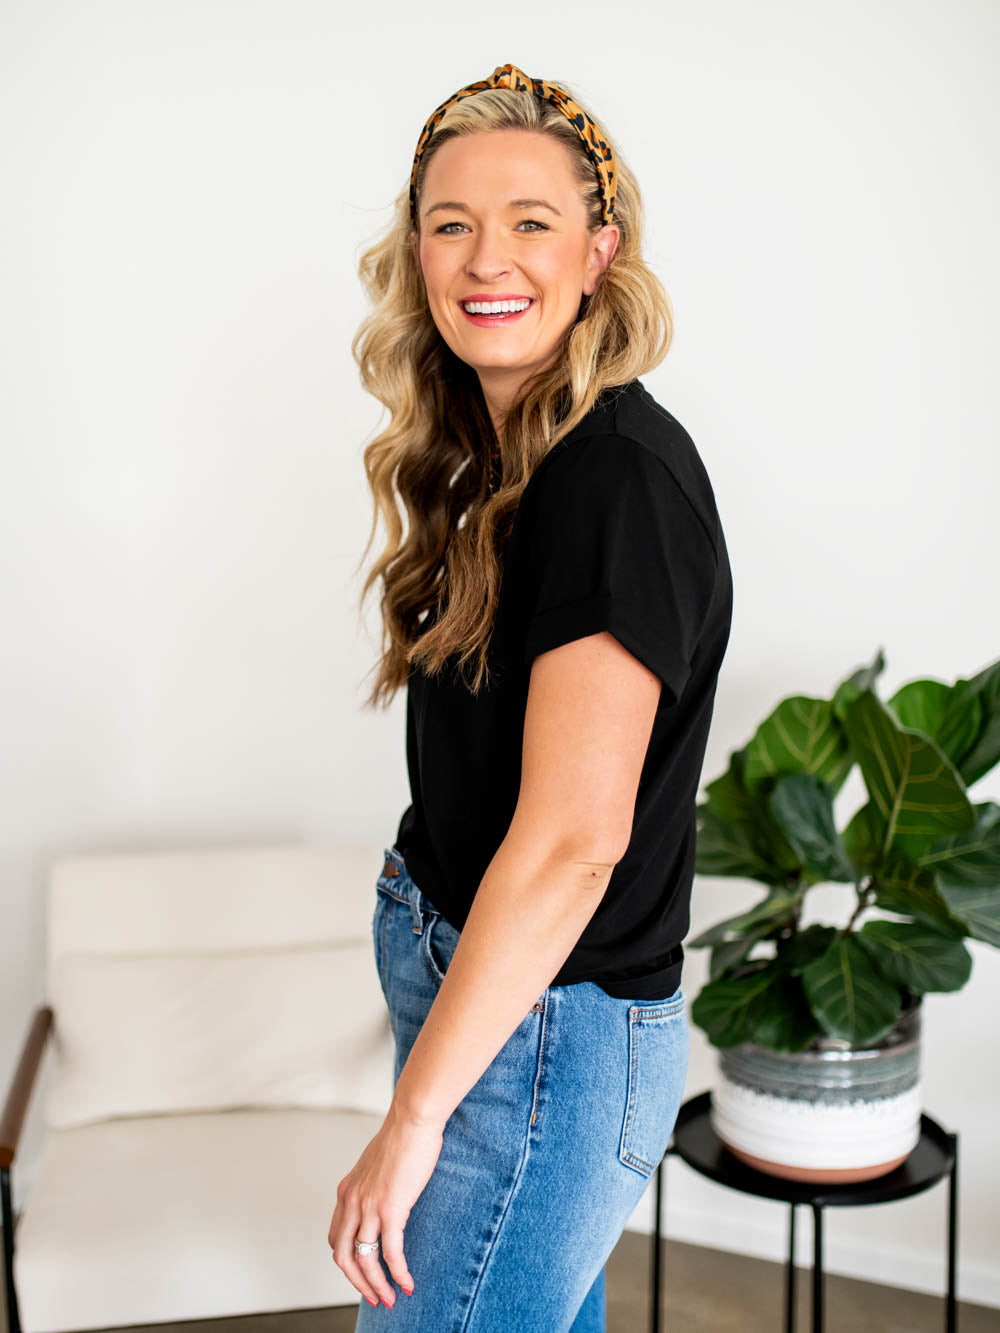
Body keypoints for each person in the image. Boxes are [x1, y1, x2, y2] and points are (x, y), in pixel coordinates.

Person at [331, 63, 733, 1332]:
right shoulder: (505, 450)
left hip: (543, 1042)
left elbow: (570, 844)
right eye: (450, 222)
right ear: (414, 249)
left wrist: (410, 1122)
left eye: (529, 222)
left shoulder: (613, 483)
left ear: (599, 252)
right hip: (492, 1003)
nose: (483, 258)